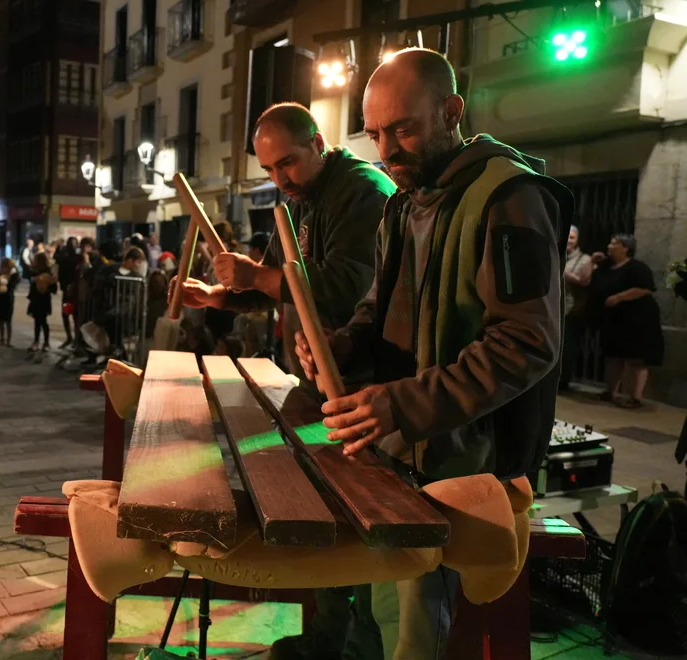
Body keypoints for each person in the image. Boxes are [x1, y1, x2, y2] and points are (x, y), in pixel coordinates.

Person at [294, 48, 573, 660]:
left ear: (451, 111)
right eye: (374, 134)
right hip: (397, 454)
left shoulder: (511, 197)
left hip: (465, 464)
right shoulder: (404, 201)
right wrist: (342, 344)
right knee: (377, 616)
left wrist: (402, 405)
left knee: (418, 638)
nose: (387, 150)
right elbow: (380, 304)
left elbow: (528, 342)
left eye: (403, 129)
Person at [175, 103, 393, 660]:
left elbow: (350, 286)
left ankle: (359, 651)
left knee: (367, 526)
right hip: (317, 382)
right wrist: (221, 296)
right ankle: (326, 640)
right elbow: (274, 282)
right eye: (269, 169)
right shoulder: (299, 199)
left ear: (318, 143)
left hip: (365, 388)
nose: (279, 179)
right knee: (331, 518)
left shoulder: (364, 191)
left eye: (287, 163)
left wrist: (258, 275)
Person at [590, 233, 664, 408]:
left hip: (638, 318)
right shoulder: (606, 267)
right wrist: (594, 262)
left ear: (625, 248)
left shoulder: (637, 267)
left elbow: (645, 288)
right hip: (615, 318)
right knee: (613, 355)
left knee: (637, 358)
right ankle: (610, 391)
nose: (609, 246)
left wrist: (619, 297)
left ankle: (635, 397)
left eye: (614, 243)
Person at [560, 225, 593, 391]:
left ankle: (562, 380)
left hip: (571, 310)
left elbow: (584, 280)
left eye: (572, 237)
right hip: (551, 309)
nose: (568, 240)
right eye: (566, 236)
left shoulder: (585, 259)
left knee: (567, 347)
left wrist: (561, 270)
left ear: (577, 240)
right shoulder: (555, 255)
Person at [26, 252, 57, 352]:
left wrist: (47, 284)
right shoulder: (35, 271)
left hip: (43, 298)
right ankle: (36, 341)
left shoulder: (48, 272)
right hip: (36, 298)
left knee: (43, 321)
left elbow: (54, 289)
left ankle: (46, 342)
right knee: (37, 321)